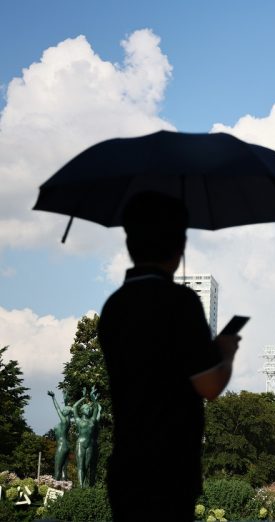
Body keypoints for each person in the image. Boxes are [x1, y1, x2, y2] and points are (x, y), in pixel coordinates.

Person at [98, 191, 240, 521]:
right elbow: (210, 386)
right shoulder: (181, 302)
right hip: (171, 467)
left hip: (126, 465)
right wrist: (226, 353)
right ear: (180, 248)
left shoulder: (114, 306)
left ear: (130, 244)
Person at [72, 388, 101, 487]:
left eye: (89, 409)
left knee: (86, 466)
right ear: (82, 410)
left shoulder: (92, 420)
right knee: (80, 466)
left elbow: (96, 408)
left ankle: (86, 486)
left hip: (90, 445)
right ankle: (81, 488)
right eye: (87, 408)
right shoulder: (78, 420)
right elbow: (74, 406)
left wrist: (93, 398)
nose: (89, 409)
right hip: (80, 444)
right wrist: (83, 398)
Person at [47, 389, 73, 481]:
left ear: (66, 412)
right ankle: (65, 491)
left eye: (64, 410)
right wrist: (66, 399)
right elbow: (67, 408)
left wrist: (53, 397)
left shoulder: (64, 421)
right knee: (63, 469)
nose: (63, 409)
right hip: (66, 445)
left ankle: (55, 488)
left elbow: (57, 408)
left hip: (61, 446)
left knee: (57, 469)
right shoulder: (68, 421)